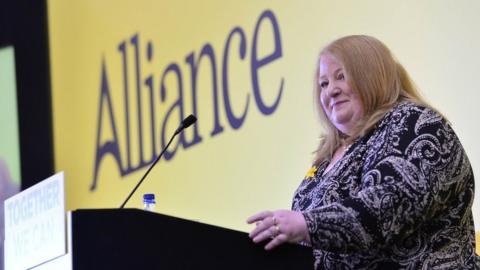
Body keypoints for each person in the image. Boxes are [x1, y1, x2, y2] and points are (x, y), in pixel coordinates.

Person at [247, 35, 479, 269]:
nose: (331, 91)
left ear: (372, 75)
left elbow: (390, 204)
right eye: (324, 83)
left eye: (341, 76)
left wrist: (307, 225)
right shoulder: (327, 159)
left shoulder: (414, 122)